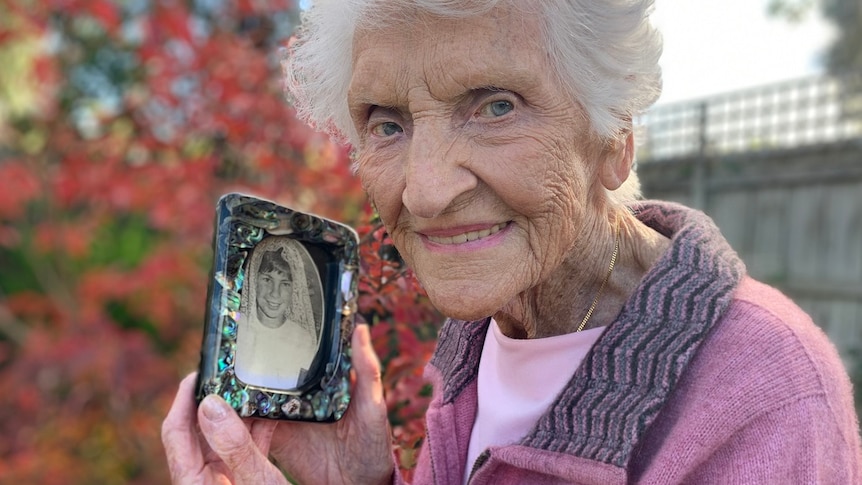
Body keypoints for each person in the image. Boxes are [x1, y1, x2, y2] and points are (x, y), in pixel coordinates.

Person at [161, 1, 862, 483]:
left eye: (496, 105)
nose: (426, 190)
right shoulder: (486, 324)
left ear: (614, 140)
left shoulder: (766, 393)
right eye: (387, 122)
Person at [235, 236, 321, 390]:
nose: (275, 293)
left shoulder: (303, 339)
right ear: (254, 280)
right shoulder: (236, 329)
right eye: (267, 280)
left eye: (285, 284)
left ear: (295, 289)